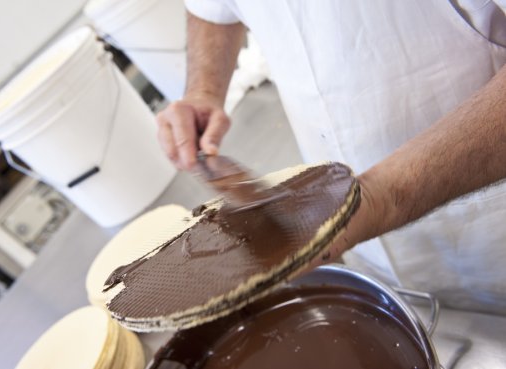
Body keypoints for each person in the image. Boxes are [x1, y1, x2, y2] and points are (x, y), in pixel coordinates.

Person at [156, 0, 506, 315]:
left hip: (485, 217)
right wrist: (203, 89)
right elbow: (212, 8)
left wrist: (384, 195)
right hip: (348, 226)